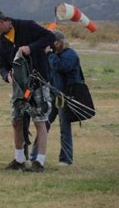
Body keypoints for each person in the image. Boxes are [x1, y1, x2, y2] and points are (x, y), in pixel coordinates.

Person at [0, 11, 55, 172]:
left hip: (38, 82)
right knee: (16, 121)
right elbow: (1, 66)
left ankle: (39, 161)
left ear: (3, 22)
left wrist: (31, 48)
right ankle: (19, 160)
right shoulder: (0, 42)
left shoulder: (27, 26)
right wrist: (6, 76)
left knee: (40, 119)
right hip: (18, 87)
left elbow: (49, 38)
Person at [31, 30, 82, 165]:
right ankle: (34, 156)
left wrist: (49, 54)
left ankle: (66, 159)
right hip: (53, 95)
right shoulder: (55, 55)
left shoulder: (70, 54)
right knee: (43, 125)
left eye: (53, 42)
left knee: (64, 128)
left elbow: (61, 67)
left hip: (65, 96)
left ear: (59, 42)